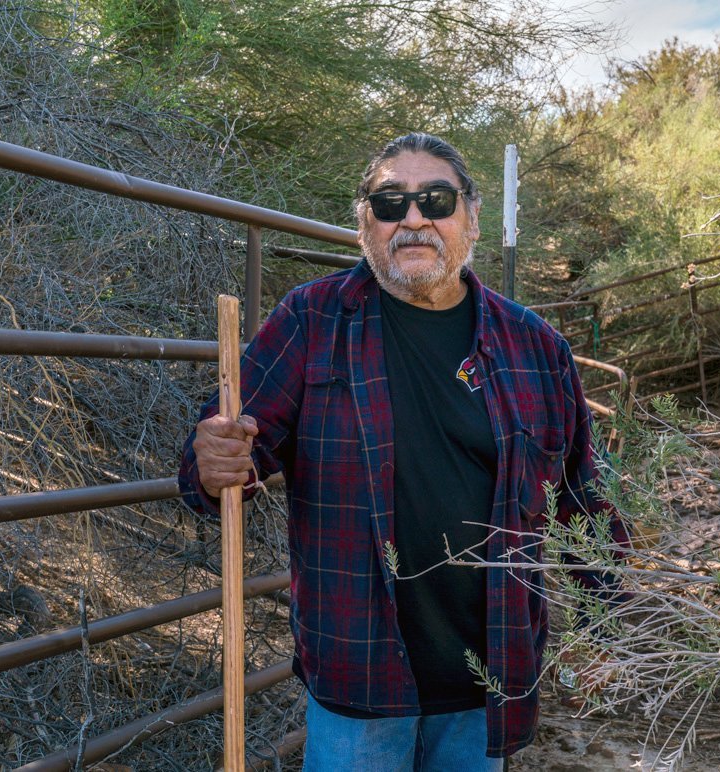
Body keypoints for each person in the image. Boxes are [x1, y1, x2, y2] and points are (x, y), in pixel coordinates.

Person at [178, 133, 625, 770]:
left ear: (469, 216)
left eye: (435, 199)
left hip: (488, 673)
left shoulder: (536, 346)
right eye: (390, 203)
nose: (413, 218)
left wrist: (614, 620)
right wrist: (213, 459)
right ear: (365, 224)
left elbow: (581, 497)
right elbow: (227, 452)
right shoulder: (311, 321)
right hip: (357, 669)